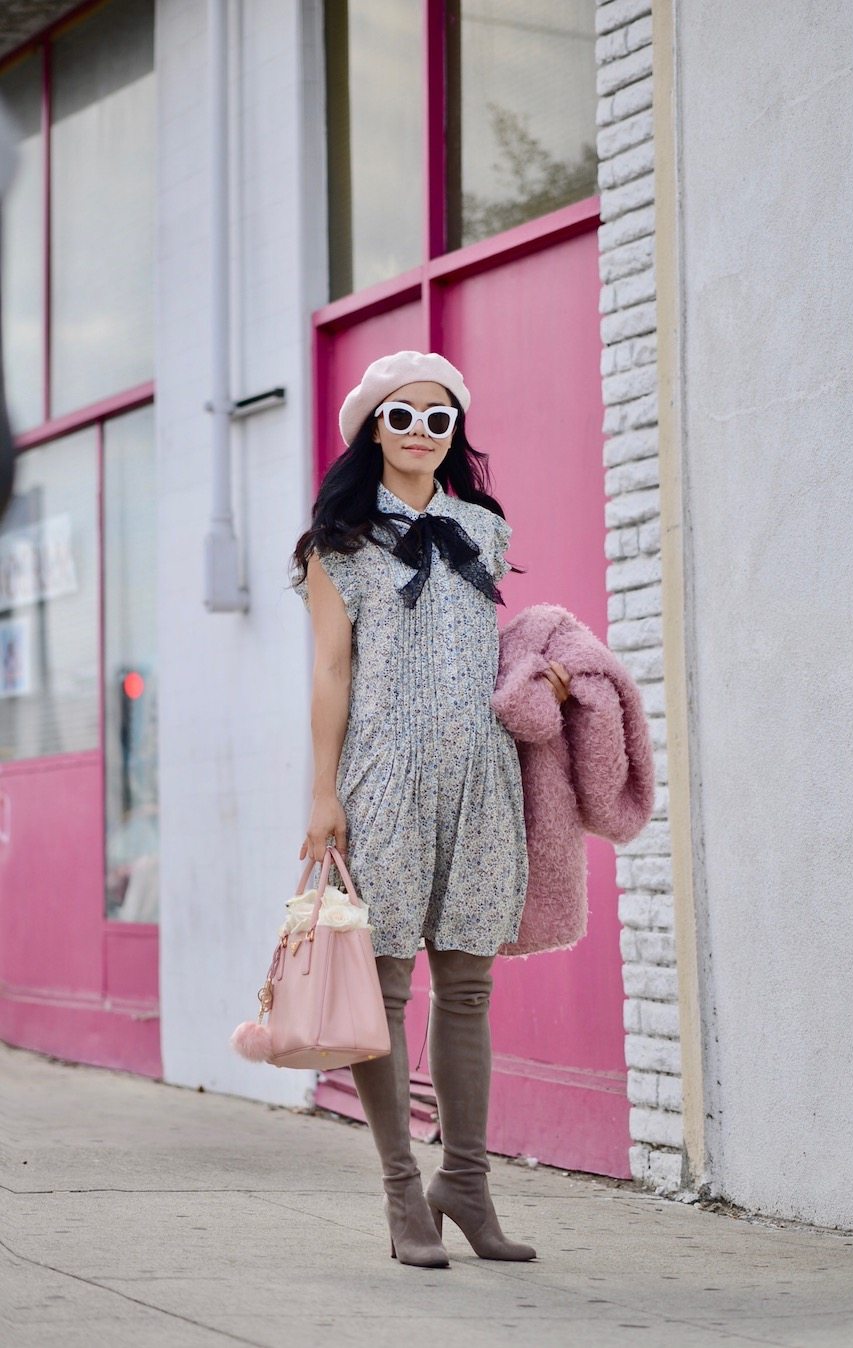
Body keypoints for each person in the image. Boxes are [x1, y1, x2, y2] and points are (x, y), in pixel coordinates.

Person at [291, 351, 570, 1269]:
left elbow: (497, 650)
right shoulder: (340, 541)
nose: (419, 432)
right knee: (385, 986)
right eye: (401, 417)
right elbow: (333, 670)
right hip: (383, 780)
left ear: (454, 434)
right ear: (372, 429)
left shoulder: (481, 530)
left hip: (480, 779)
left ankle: (469, 1184)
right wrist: (323, 792)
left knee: (470, 990)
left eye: (437, 419)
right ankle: (403, 1190)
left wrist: (551, 679)